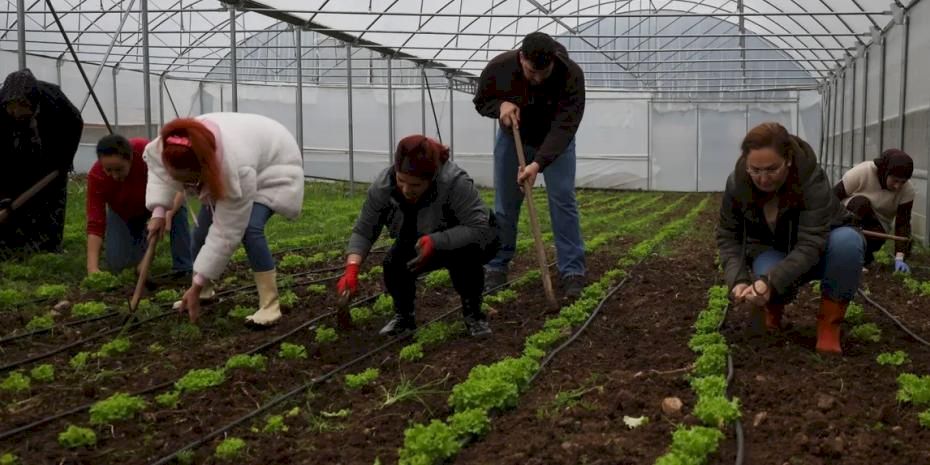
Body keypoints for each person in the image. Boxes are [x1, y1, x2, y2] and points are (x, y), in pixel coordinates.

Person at [717, 122, 864, 355]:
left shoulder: (811, 180)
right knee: (768, 271)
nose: (763, 179)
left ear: (787, 160)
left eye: (771, 169)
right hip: (774, 249)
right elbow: (729, 236)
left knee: (847, 243)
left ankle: (829, 326)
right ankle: (773, 310)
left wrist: (771, 280)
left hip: (822, 250)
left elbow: (810, 242)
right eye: (755, 170)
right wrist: (738, 280)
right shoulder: (738, 185)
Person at [145, 113, 305, 327]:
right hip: (241, 156)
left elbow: (226, 231)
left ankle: (270, 305)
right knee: (201, 232)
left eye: (189, 181)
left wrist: (195, 284)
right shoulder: (170, 145)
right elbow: (161, 174)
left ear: (203, 169)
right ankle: (205, 291)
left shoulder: (236, 168)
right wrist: (158, 212)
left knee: (250, 228)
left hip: (275, 166)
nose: (185, 187)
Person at [337, 135, 499, 337]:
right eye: (401, 180)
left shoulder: (454, 182)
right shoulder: (383, 186)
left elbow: (478, 227)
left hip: (464, 237)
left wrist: (437, 241)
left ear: (431, 178)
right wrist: (352, 268)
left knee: (465, 260)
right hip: (419, 237)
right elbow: (364, 230)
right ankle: (404, 319)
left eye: (415, 185)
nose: (406, 190)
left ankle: (474, 314)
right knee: (394, 264)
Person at [473, 31, 586, 299]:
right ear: (521, 57)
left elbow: (565, 127)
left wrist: (537, 164)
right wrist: (500, 106)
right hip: (514, 139)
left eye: (542, 73)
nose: (536, 78)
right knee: (505, 203)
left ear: (553, 62)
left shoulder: (570, 75)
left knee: (563, 200)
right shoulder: (499, 67)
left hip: (556, 143)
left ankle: (572, 271)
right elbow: (481, 102)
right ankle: (496, 267)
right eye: (531, 72)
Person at [0, 69, 83, 256]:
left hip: (51, 157)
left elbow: (75, 122)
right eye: (10, 108)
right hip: (14, 156)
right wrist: (5, 201)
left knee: (51, 200)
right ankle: (12, 245)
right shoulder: (2, 111)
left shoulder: (56, 103)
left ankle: (49, 246)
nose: (14, 113)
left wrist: (63, 163)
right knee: (12, 196)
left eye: (20, 108)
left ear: (31, 102)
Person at [86, 135, 192, 278]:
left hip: (158, 203)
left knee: (176, 208)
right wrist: (92, 268)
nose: (114, 176)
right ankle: (142, 247)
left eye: (119, 169)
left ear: (130, 158)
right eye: (108, 170)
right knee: (119, 265)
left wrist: (167, 214)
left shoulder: (145, 152)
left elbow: (176, 184)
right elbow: (95, 223)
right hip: (124, 212)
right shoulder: (96, 176)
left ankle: (184, 267)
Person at [833, 149, 915, 273]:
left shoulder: (907, 191)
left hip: (877, 223)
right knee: (861, 203)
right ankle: (843, 252)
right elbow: (833, 197)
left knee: (878, 234)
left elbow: (902, 224)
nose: (898, 186)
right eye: (895, 180)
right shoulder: (863, 172)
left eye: (902, 182)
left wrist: (900, 257)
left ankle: (863, 259)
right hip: (850, 214)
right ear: (885, 171)